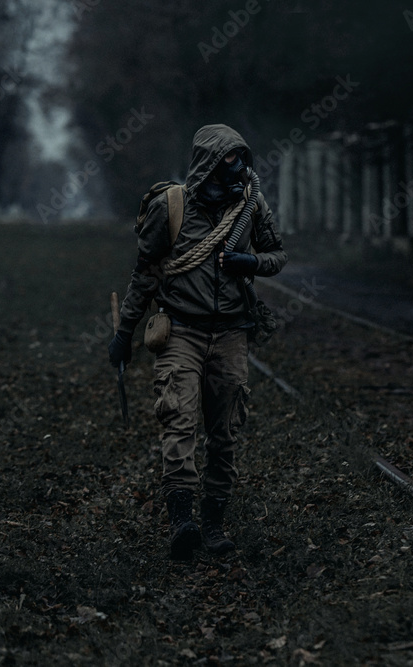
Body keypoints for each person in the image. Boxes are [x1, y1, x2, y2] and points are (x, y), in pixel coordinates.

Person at [108, 124, 287, 559]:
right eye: (230, 160)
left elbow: (278, 256)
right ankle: (182, 521)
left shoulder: (251, 205)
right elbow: (145, 273)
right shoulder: (170, 207)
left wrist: (251, 261)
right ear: (208, 163)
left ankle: (213, 525)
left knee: (224, 433)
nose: (240, 169)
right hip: (180, 332)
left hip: (230, 333)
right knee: (179, 420)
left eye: (243, 159)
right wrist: (124, 332)